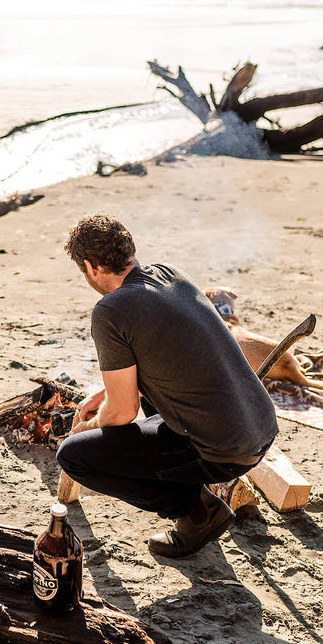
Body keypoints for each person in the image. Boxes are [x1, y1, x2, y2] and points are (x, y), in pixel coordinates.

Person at [56, 213, 277, 558]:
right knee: (143, 408)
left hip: (226, 450)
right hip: (261, 423)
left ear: (91, 267)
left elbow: (123, 412)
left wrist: (89, 425)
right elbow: (169, 356)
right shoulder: (170, 274)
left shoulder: (110, 310)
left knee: (74, 456)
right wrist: (105, 393)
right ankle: (199, 493)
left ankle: (198, 511)